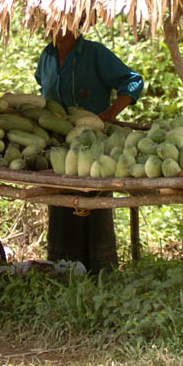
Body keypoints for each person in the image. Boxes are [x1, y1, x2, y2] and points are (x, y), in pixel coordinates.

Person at [35, 25, 144, 274]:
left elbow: (133, 81)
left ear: (77, 25)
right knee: (62, 206)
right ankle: (62, 269)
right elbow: (42, 86)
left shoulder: (94, 53)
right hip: (59, 146)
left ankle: (100, 270)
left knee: (93, 204)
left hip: (94, 146)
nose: (59, 29)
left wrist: (108, 114)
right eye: (54, 23)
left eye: (66, 23)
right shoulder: (47, 56)